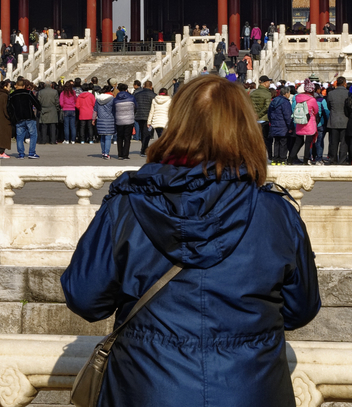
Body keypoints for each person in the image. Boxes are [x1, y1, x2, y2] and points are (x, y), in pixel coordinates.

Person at [62, 76, 320, 407]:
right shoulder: (277, 214)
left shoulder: (126, 206)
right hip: (250, 389)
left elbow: (85, 298)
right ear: (245, 129)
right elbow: (302, 307)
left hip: (146, 388)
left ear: (177, 124)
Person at [8, 78, 42, 159]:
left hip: (18, 118)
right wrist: (39, 108)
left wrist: (13, 117)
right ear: (24, 86)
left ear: (16, 86)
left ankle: (21, 154)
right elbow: (36, 102)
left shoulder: (12, 95)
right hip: (29, 116)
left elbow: (9, 108)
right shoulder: (28, 93)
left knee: (19, 136)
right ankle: (31, 152)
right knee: (33, 135)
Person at [290, 84, 320, 165]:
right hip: (309, 122)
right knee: (308, 142)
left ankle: (290, 159)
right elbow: (316, 110)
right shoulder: (312, 99)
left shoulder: (298, 98)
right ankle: (305, 160)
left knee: (298, 142)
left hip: (300, 122)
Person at [267, 86, 294, 165]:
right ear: (286, 93)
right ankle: (282, 159)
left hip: (274, 125)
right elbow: (287, 116)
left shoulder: (274, 101)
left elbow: (269, 113)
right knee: (283, 143)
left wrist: (272, 122)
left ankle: (275, 159)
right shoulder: (285, 102)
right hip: (283, 126)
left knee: (276, 142)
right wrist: (290, 126)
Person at [325, 77, 349, 164]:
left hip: (333, 120)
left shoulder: (331, 93)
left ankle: (333, 159)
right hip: (345, 120)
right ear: (344, 83)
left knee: (333, 142)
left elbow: (329, 106)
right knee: (343, 142)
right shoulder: (348, 93)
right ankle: (342, 160)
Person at [113, 83, 137, 160]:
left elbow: (113, 110)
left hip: (119, 120)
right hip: (129, 120)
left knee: (119, 137)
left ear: (118, 90)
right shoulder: (132, 98)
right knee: (127, 138)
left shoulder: (115, 99)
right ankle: (125, 155)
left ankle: (120, 154)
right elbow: (136, 107)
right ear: (126, 89)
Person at [0, 79, 15, 158]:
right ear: (5, 87)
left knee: (0, 135)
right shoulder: (4, 95)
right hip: (3, 119)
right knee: (4, 135)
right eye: (9, 86)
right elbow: (5, 108)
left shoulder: (0, 93)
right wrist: (9, 116)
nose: (10, 88)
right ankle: (1, 152)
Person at [133, 80, 155, 155]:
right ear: (151, 87)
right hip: (148, 116)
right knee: (147, 133)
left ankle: (144, 147)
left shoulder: (137, 94)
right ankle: (144, 148)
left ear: (144, 86)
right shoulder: (154, 95)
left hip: (139, 115)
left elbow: (134, 105)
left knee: (142, 132)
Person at [94, 87, 116, 159]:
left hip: (100, 119)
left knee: (102, 137)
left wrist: (93, 119)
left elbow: (95, 110)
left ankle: (103, 152)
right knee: (108, 137)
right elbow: (114, 109)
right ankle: (107, 153)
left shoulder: (97, 99)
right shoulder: (112, 99)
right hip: (109, 120)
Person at [38, 81, 60, 145]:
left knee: (44, 126)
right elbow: (57, 102)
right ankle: (53, 140)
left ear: (45, 85)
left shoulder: (41, 92)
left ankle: (43, 140)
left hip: (43, 109)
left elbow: (39, 101)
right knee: (53, 126)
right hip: (52, 109)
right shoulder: (55, 92)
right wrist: (57, 109)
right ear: (51, 85)